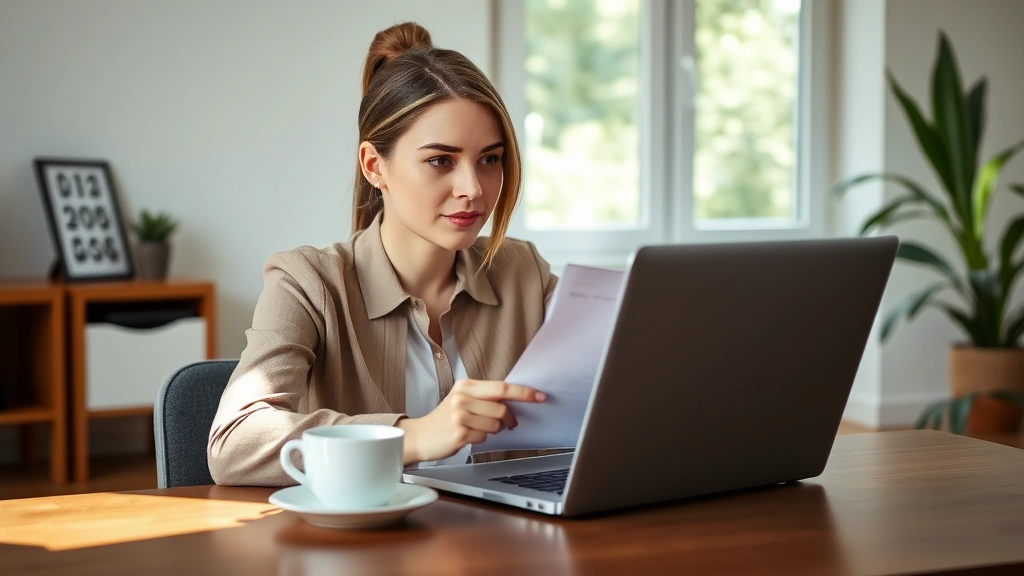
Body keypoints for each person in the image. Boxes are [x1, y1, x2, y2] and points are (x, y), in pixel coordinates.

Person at [208, 22, 557, 486]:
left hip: (505, 549)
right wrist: (411, 436)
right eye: (440, 161)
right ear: (375, 166)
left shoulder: (524, 272)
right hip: (363, 550)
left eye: (490, 159)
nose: (473, 189)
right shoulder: (307, 282)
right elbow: (234, 444)